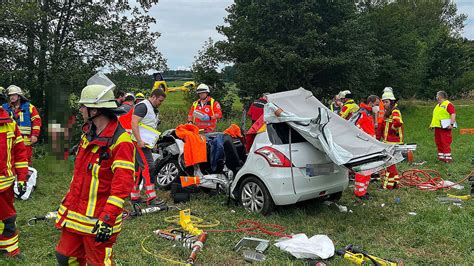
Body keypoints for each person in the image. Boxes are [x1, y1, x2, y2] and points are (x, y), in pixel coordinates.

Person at [55, 83, 135, 265]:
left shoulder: (121, 142)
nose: (81, 109)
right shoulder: (88, 134)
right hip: (76, 212)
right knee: (65, 256)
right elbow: (80, 176)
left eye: (83, 106)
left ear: (95, 109)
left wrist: (107, 218)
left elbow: (121, 186)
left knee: (97, 262)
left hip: (99, 217)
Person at [0, 104, 28, 258]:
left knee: (7, 219)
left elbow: (20, 154)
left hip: (5, 185)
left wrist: (22, 178)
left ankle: (10, 250)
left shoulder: (10, 124)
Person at [130, 89, 166, 205]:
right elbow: (134, 123)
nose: (161, 103)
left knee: (140, 169)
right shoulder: (143, 106)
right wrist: (139, 140)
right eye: (160, 100)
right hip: (140, 143)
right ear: (154, 97)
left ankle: (134, 196)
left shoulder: (153, 109)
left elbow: (150, 126)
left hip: (145, 143)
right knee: (149, 167)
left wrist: (153, 142)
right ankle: (151, 197)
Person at [2, 85, 42, 165]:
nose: (11, 97)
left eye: (14, 95)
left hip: (25, 140)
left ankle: (25, 176)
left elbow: (36, 121)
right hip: (9, 138)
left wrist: (35, 135)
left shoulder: (29, 107)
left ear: (19, 96)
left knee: (25, 160)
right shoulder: (4, 108)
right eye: (10, 95)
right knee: (9, 159)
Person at [353, 95, 379, 200]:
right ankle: (359, 193)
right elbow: (354, 126)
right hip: (364, 146)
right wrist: (365, 138)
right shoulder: (362, 113)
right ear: (371, 103)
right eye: (376, 104)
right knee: (362, 170)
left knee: (368, 169)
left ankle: (363, 191)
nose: (378, 107)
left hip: (369, 146)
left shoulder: (368, 113)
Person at [378, 90, 403, 190]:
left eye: (386, 102)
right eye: (383, 102)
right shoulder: (387, 112)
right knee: (391, 163)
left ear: (392, 102)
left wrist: (393, 127)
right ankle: (395, 183)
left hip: (393, 141)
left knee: (389, 164)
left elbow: (398, 122)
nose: (384, 104)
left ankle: (388, 186)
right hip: (388, 141)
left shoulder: (395, 111)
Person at [430, 91, 456, 163]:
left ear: (440, 96)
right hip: (438, 127)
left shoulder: (448, 104)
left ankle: (447, 158)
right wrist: (432, 125)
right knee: (438, 142)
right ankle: (441, 157)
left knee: (445, 142)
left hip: (445, 127)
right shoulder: (438, 105)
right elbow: (436, 116)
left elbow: (453, 114)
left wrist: (451, 124)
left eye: (437, 95)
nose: (436, 97)